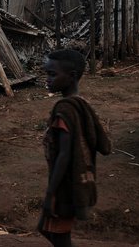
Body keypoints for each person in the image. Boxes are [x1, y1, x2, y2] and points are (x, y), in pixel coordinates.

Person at [39, 49, 111, 247]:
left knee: (59, 236)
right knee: (46, 228)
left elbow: (64, 154)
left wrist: (50, 193)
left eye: (52, 74)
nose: (48, 79)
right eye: (47, 74)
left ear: (71, 77)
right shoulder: (81, 104)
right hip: (74, 181)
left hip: (66, 184)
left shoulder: (65, 109)